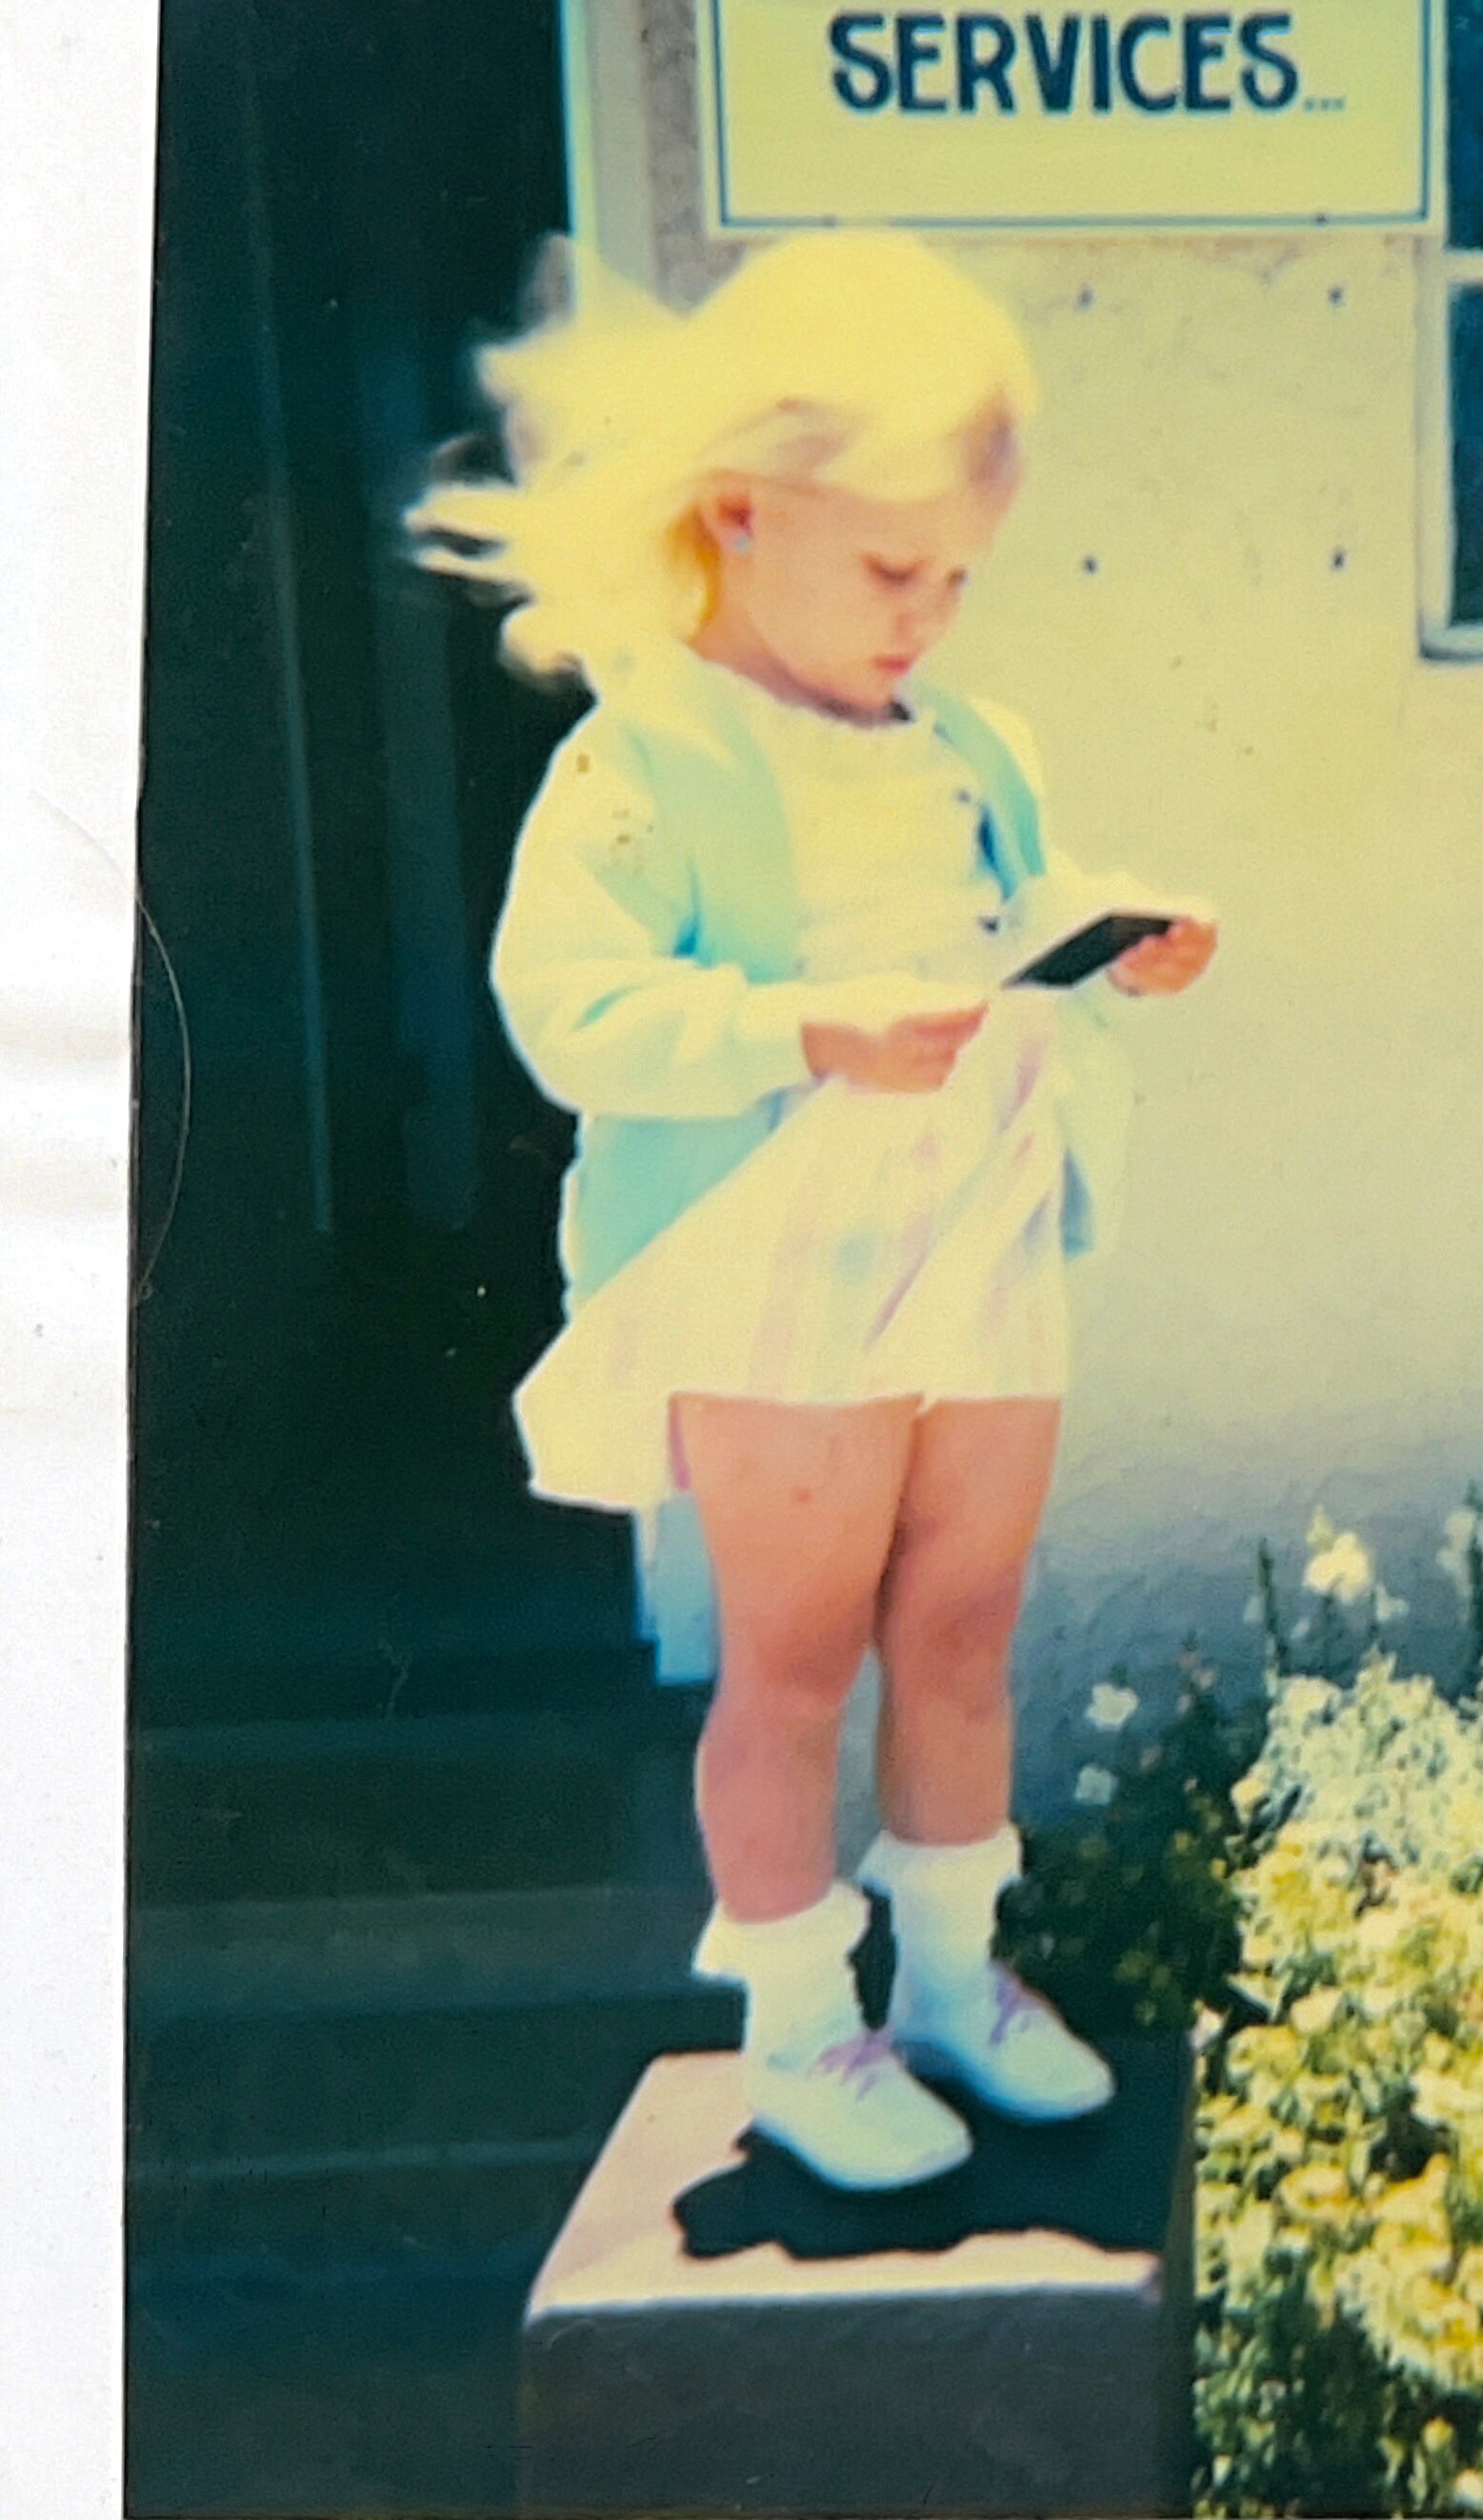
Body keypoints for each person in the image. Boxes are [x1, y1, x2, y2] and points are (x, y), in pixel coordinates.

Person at [411, 229, 1216, 2193]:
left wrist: (1118, 943)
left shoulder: (969, 745)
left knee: (962, 1622)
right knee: (792, 1656)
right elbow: (566, 1005)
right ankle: (794, 2027)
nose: (926, 616)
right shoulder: (648, 753)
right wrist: (801, 1028)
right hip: (777, 1256)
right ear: (739, 513)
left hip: (981, 1231)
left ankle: (949, 1979)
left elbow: (997, 916)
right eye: (888, 571)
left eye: (957, 578)